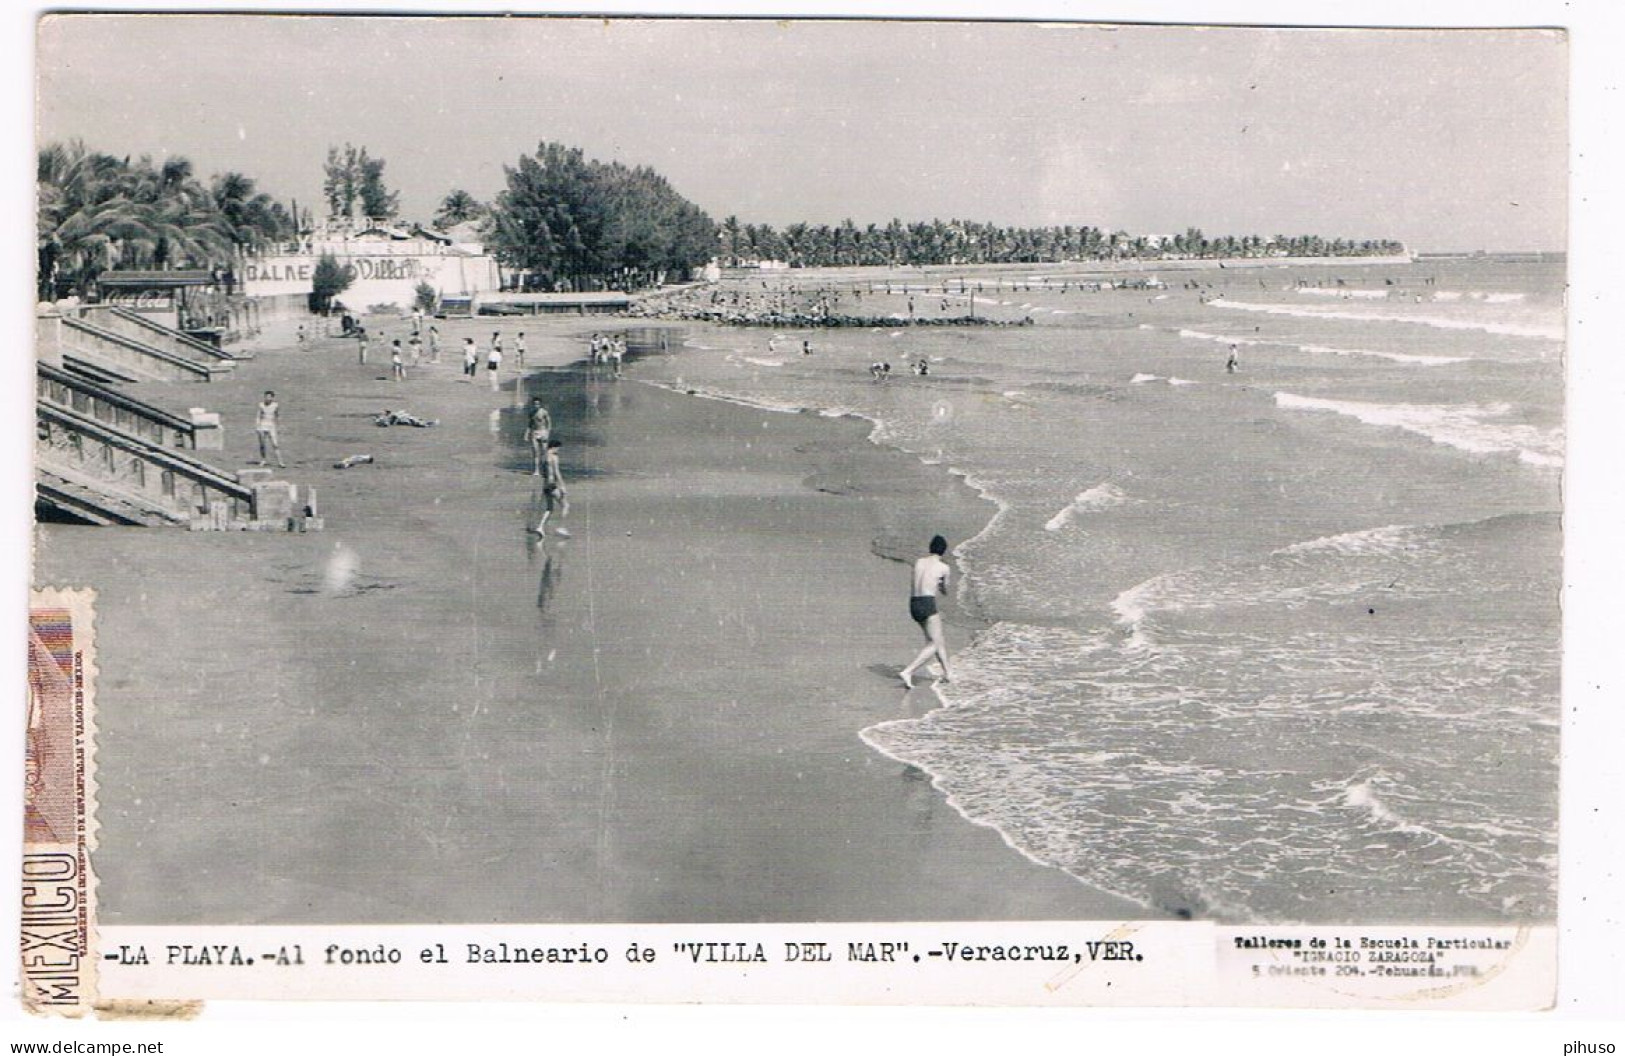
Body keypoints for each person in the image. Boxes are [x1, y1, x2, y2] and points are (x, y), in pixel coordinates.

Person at [900, 535, 953, 689]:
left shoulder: (919, 562)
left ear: (930, 548)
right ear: (943, 551)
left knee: (936, 639)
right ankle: (908, 671)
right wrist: (942, 584)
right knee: (935, 643)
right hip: (928, 602)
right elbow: (944, 589)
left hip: (914, 603)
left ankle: (948, 673)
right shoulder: (944, 567)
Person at [532, 440, 569, 537]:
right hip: (552, 484)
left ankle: (540, 527)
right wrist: (562, 486)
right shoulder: (554, 457)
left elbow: (543, 472)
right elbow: (557, 472)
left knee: (549, 508)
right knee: (565, 505)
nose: (558, 450)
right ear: (554, 447)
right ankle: (561, 527)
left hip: (545, 485)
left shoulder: (543, 457)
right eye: (558, 448)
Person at [255, 390, 285, 469]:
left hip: (271, 426)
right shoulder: (261, 405)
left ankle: (280, 461)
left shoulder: (275, 405)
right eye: (266, 397)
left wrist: (279, 426)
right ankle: (263, 460)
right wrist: (257, 426)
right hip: (262, 425)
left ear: (272, 398)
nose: (267, 399)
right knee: (262, 444)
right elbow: (258, 416)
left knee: (275, 444)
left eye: (269, 397)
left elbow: (277, 415)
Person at [524, 396, 553, 475]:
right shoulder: (531, 413)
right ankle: (536, 470)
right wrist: (526, 434)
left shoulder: (544, 412)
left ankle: (544, 469)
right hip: (534, 432)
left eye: (537, 404)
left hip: (543, 431)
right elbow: (530, 424)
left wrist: (547, 433)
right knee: (535, 452)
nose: (536, 405)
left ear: (540, 404)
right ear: (533, 404)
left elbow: (549, 423)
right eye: (534, 404)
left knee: (544, 451)